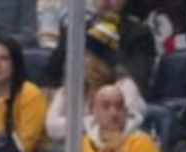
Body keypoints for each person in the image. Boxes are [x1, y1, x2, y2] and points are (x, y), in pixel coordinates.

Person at [43, 16, 147, 144]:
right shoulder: (70, 88)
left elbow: (127, 125)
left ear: (102, 62)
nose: (80, 61)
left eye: (87, 55)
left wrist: (80, 125)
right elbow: (52, 126)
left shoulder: (125, 88)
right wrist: (93, 122)